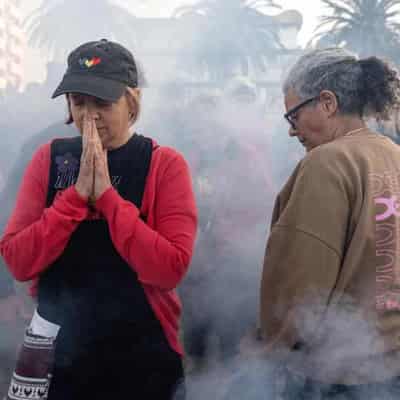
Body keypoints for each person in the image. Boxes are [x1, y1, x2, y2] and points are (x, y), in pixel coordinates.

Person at [0, 39, 197, 399]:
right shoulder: (49, 159)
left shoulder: (164, 164)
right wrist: (74, 199)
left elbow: (169, 268)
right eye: (79, 102)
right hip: (56, 350)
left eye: (103, 103)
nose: (89, 116)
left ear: (132, 101)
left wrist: (106, 198)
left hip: (142, 349)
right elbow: (17, 260)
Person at [259, 48, 400, 400]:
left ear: (327, 102)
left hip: (335, 375)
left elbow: (301, 285)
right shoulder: (394, 156)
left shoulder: (327, 162)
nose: (292, 132)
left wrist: (268, 346)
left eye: (293, 117)